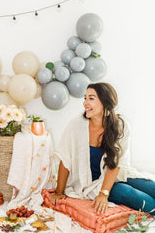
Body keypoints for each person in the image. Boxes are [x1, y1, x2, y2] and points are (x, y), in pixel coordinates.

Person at [49, 82, 155, 214]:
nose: (85, 103)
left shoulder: (121, 126)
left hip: (114, 175)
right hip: (90, 184)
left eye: (91, 98)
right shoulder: (76, 126)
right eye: (85, 98)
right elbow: (65, 159)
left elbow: (116, 164)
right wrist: (59, 192)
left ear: (105, 102)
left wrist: (104, 193)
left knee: (152, 187)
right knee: (132, 195)